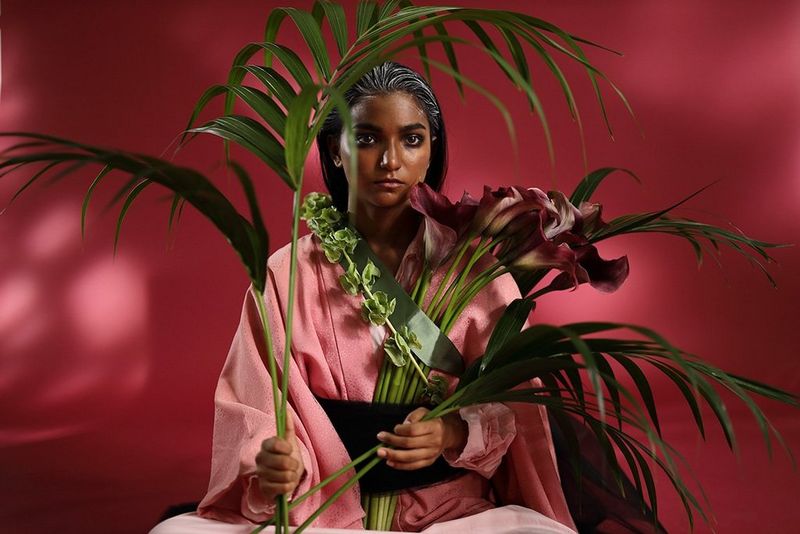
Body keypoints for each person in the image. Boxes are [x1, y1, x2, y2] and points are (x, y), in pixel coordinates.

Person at [151, 62, 576, 534]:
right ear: (336, 149)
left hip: (447, 514)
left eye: (412, 139)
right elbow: (254, 401)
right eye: (368, 138)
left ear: (431, 150)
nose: (390, 160)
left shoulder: (474, 274)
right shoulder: (286, 272)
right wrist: (271, 458)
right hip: (321, 511)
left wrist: (451, 433)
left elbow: (518, 407)